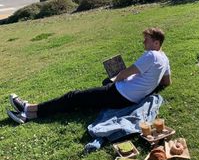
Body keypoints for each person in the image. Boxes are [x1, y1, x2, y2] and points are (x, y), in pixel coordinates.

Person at [7, 27, 171, 124]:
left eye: (147, 40)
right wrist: (147, 86)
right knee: (88, 97)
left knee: (74, 96)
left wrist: (117, 80)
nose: (144, 43)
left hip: (120, 94)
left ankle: (29, 108)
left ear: (156, 43)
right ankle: (30, 116)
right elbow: (166, 82)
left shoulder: (152, 55)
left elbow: (126, 73)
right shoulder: (164, 58)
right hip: (128, 95)